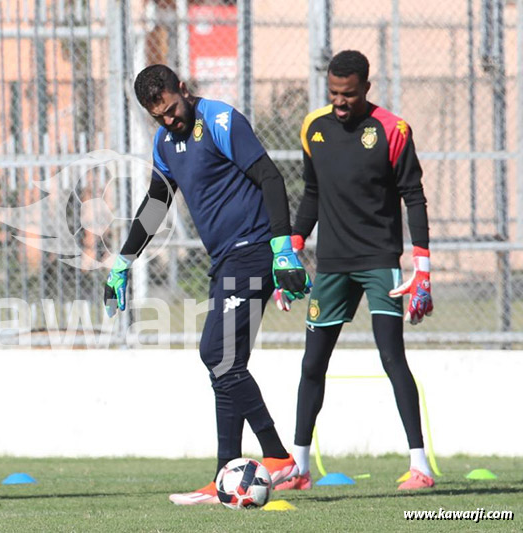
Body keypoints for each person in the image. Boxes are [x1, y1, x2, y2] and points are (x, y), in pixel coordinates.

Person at [104, 64, 312, 505]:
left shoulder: (220, 120)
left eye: (172, 110)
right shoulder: (164, 142)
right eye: (158, 116)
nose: (168, 121)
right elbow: (157, 202)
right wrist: (123, 261)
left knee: (215, 354)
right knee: (225, 366)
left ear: (182, 89)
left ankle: (277, 456)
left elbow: (270, 178)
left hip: (253, 250)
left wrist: (283, 249)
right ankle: (225, 474)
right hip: (225, 260)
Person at [276, 50, 435, 491]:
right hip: (332, 266)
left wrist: (421, 267)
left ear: (366, 87)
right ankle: (300, 468)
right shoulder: (314, 128)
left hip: (380, 262)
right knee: (312, 364)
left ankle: (420, 467)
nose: (340, 102)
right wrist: (291, 250)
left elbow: (414, 197)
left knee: (391, 358)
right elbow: (311, 193)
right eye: (333, 93)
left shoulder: (393, 130)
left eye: (348, 94)